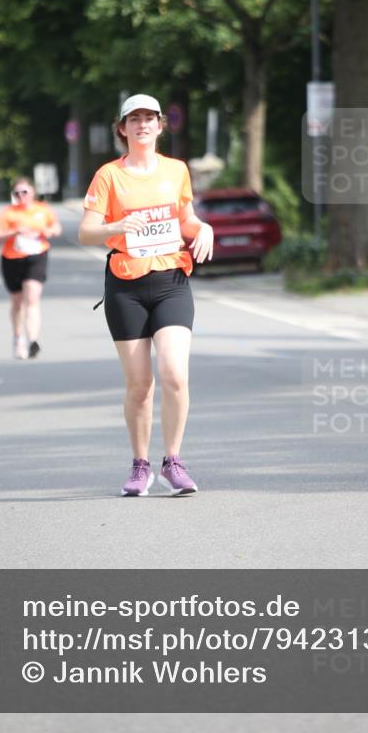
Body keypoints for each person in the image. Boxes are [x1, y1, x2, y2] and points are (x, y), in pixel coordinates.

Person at [78, 94, 214, 497]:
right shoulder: (108, 176)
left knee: (174, 373)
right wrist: (118, 225)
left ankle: (174, 461)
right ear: (122, 128)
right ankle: (140, 466)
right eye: (133, 119)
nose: (142, 125)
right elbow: (86, 231)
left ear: (159, 125)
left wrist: (203, 228)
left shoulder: (176, 170)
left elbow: (185, 218)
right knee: (140, 385)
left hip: (171, 279)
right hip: (126, 284)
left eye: (149, 118)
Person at [0, 177, 62, 359]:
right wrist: (14, 232)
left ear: (32, 192)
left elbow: (56, 228)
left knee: (32, 298)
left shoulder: (42, 210)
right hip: (12, 258)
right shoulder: (8, 213)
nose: (21, 196)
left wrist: (49, 231)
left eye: (25, 192)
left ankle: (33, 340)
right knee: (17, 301)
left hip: (37, 255)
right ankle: (18, 337)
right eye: (17, 193)